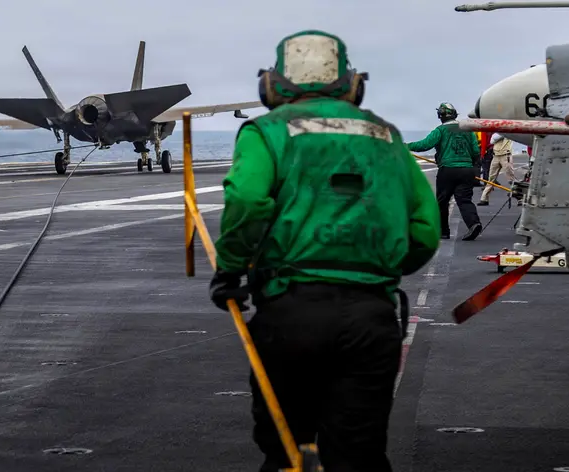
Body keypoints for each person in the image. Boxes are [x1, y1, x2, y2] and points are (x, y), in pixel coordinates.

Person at [207, 30, 441, 472]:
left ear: (272, 84)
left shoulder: (266, 131)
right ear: (353, 84)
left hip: (289, 314)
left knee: (286, 451)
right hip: (371, 316)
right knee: (359, 453)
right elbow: (425, 230)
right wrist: (382, 270)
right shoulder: (386, 136)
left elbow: (246, 200)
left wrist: (230, 270)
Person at [406, 102, 483, 241]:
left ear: (440, 116)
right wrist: (472, 167)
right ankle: (474, 223)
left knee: (442, 201)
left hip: (448, 170)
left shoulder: (440, 131)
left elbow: (424, 145)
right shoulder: (467, 130)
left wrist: (406, 146)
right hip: (467, 170)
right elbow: (475, 151)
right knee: (464, 200)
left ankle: (444, 232)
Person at [478, 133, 515, 206]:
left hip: (505, 155)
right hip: (497, 155)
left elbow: (493, 139)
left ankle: (519, 197)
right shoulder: (501, 132)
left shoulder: (504, 131)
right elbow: (492, 140)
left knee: (511, 179)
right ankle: (484, 198)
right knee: (491, 178)